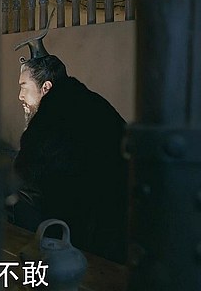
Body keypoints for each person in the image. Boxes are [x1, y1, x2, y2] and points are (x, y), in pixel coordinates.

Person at [10, 24, 129, 264]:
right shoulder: (89, 101)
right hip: (123, 220)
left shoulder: (52, 116)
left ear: (46, 87)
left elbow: (24, 176)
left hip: (90, 232)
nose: (20, 96)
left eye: (24, 87)